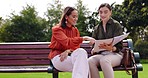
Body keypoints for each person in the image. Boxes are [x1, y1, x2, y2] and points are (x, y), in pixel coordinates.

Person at [48, 6, 94, 78]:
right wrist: (84, 38)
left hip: (70, 57)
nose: (76, 19)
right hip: (58, 57)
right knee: (84, 65)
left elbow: (76, 47)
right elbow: (67, 42)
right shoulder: (57, 29)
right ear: (66, 17)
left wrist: (68, 51)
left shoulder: (75, 30)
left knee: (81, 52)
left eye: (76, 17)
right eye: (73, 16)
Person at [88, 3, 123, 78]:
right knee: (90, 61)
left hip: (115, 55)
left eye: (105, 12)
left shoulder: (116, 25)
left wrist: (112, 48)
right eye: (100, 12)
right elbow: (94, 44)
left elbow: (120, 46)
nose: (103, 14)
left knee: (104, 60)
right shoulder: (97, 28)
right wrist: (93, 49)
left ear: (110, 12)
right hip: (102, 54)